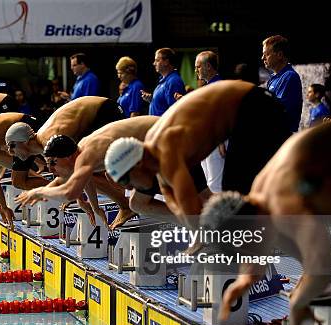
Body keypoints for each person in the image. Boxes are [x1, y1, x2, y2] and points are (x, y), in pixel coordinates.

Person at [199, 112, 331, 325]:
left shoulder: (282, 200)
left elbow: (324, 263)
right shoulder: (260, 198)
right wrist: (248, 276)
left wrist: (298, 303)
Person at [104, 80, 292, 227]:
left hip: (256, 108)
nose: (128, 188)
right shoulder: (155, 157)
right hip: (245, 111)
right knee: (233, 200)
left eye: (125, 181)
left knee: (235, 197)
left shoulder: (166, 153)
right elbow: (174, 201)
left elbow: (190, 206)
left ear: (137, 164)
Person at [15, 116, 159, 229]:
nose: (51, 169)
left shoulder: (85, 155)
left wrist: (38, 191)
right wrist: (94, 207)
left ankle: (180, 217)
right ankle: (178, 215)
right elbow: (85, 178)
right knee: (118, 182)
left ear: (67, 156)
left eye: (53, 163)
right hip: (153, 136)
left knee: (137, 202)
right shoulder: (80, 152)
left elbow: (69, 192)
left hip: (161, 134)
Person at [194, 50, 225, 194]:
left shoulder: (218, 86)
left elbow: (220, 116)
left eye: (198, 66)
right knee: (208, 181)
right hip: (206, 141)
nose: (196, 70)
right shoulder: (208, 86)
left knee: (215, 183)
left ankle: (219, 215)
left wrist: (220, 141)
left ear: (208, 66)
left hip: (215, 141)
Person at [262, 35, 303, 132]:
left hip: (283, 136)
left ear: (279, 55)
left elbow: (277, 111)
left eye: (266, 54)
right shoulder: (273, 78)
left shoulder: (289, 76)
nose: (262, 58)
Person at [141, 48, 185, 116]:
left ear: (166, 62)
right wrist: (151, 100)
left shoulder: (173, 81)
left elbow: (174, 111)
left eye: (157, 60)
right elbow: (163, 105)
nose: (154, 63)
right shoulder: (164, 80)